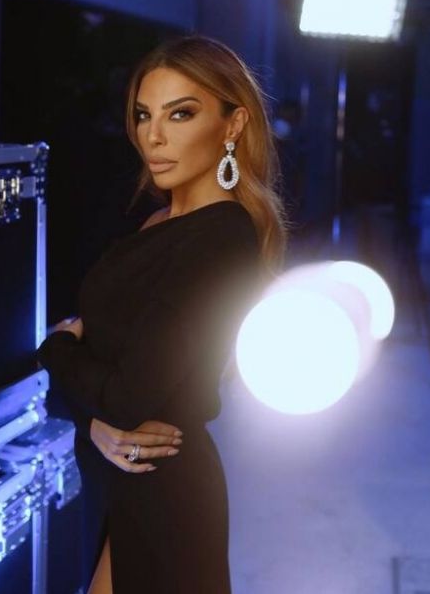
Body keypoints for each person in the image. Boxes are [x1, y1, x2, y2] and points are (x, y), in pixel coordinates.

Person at [36, 35, 289, 593]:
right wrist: (96, 425)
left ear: (232, 124)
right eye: (144, 114)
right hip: (120, 479)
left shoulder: (222, 237)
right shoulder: (157, 222)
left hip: (164, 492)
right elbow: (112, 388)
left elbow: (127, 395)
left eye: (180, 114)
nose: (153, 136)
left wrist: (56, 348)